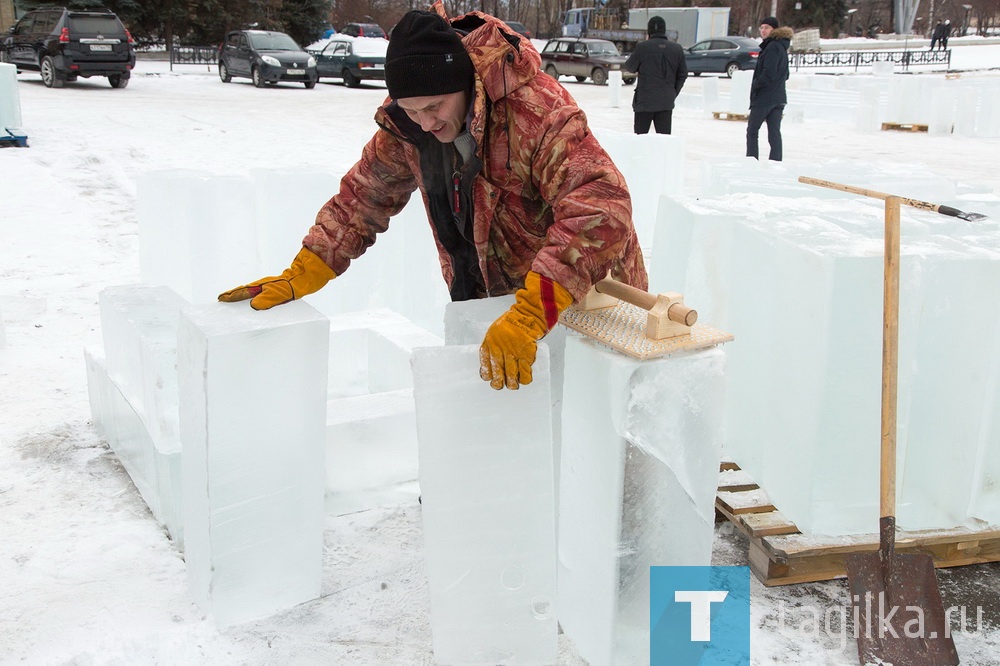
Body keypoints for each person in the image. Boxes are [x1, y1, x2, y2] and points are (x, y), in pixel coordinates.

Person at [218, 9, 647, 391]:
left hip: (589, 299)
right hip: (501, 308)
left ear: (463, 84)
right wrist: (305, 269)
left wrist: (535, 310)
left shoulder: (535, 111)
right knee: (517, 443)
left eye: (435, 106)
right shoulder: (409, 127)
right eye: (412, 110)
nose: (425, 122)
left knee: (589, 436)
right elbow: (362, 197)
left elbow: (601, 206)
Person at [623, 16, 687, 135]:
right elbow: (683, 74)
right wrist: (673, 92)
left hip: (644, 102)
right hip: (666, 101)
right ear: (664, 30)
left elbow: (630, 67)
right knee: (663, 141)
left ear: (649, 31)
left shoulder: (642, 47)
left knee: (640, 139)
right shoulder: (676, 49)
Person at [746, 16, 792, 162]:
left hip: (765, 98)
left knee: (752, 131)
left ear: (774, 30)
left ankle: (751, 161)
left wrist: (756, 84)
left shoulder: (771, 47)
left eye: (767, 27)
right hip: (778, 97)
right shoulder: (781, 47)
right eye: (761, 27)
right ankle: (776, 162)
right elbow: (786, 74)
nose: (763, 30)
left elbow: (768, 73)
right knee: (774, 132)